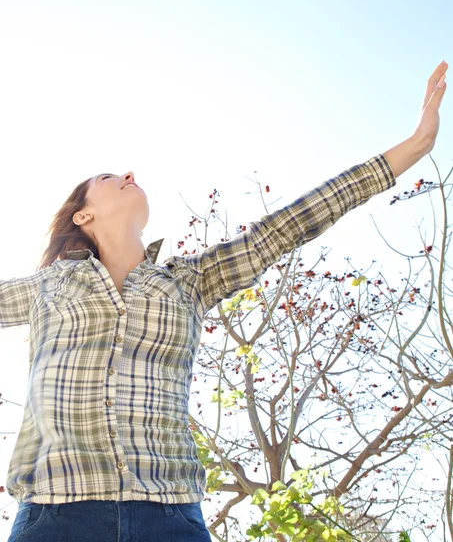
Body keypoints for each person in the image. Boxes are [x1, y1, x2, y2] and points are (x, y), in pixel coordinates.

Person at [3, 62, 448, 541]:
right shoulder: (47, 287)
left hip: (168, 513)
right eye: (110, 176)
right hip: (54, 512)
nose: (129, 174)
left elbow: (289, 224)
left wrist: (416, 145)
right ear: (84, 212)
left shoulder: (188, 282)